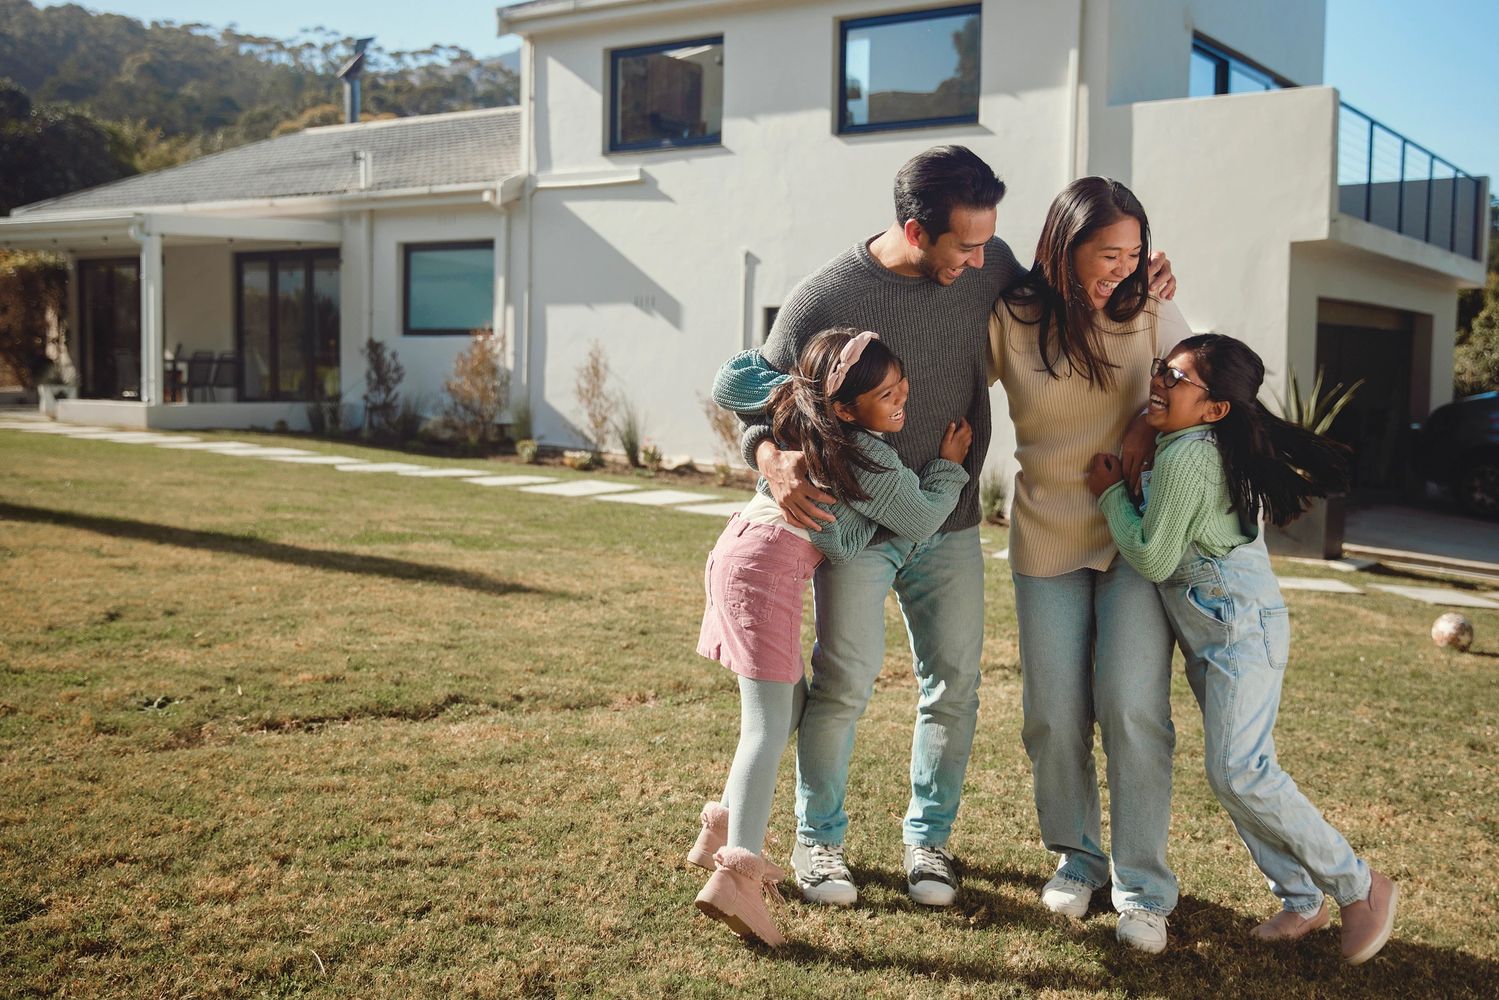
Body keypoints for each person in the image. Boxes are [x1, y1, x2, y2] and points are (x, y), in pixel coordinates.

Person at [728, 148, 1175, 911]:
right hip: (859, 530)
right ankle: (819, 840)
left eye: (985, 245)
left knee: (954, 688)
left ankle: (926, 841)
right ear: (913, 228)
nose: (978, 262)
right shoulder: (825, 295)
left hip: (952, 521)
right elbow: (748, 389)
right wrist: (767, 456)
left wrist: (1137, 278)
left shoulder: (990, 262)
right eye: (963, 247)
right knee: (842, 684)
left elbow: (1069, 295)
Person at [1085, 333, 1399, 965]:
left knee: (1240, 771)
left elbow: (1151, 555)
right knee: (1236, 775)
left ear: (1214, 409)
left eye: (1176, 379)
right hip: (1217, 630)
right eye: (1161, 370)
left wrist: (1112, 493)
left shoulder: (1189, 457)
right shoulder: (1185, 443)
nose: (1159, 383)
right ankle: (1301, 898)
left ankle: (1361, 887)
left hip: (1238, 631)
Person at [691, 328, 973, 947]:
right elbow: (923, 516)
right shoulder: (864, 452)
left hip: (744, 552)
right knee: (765, 727)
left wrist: (796, 390)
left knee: (787, 706)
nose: (903, 401)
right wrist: (949, 470)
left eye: (902, 386)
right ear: (845, 407)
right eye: (886, 394)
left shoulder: (809, 418)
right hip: (764, 570)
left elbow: (838, 538)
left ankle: (720, 824)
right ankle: (736, 873)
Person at [986, 177, 1186, 953]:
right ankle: (1077, 856)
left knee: (1133, 708)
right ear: (1063, 248)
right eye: (1108, 254)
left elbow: (1204, 389)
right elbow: (957, 387)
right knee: (1052, 713)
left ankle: (1141, 886)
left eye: (1134, 253)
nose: (1122, 269)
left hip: (1133, 537)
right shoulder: (1012, 317)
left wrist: (1145, 421)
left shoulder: (1152, 310)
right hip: (1046, 535)